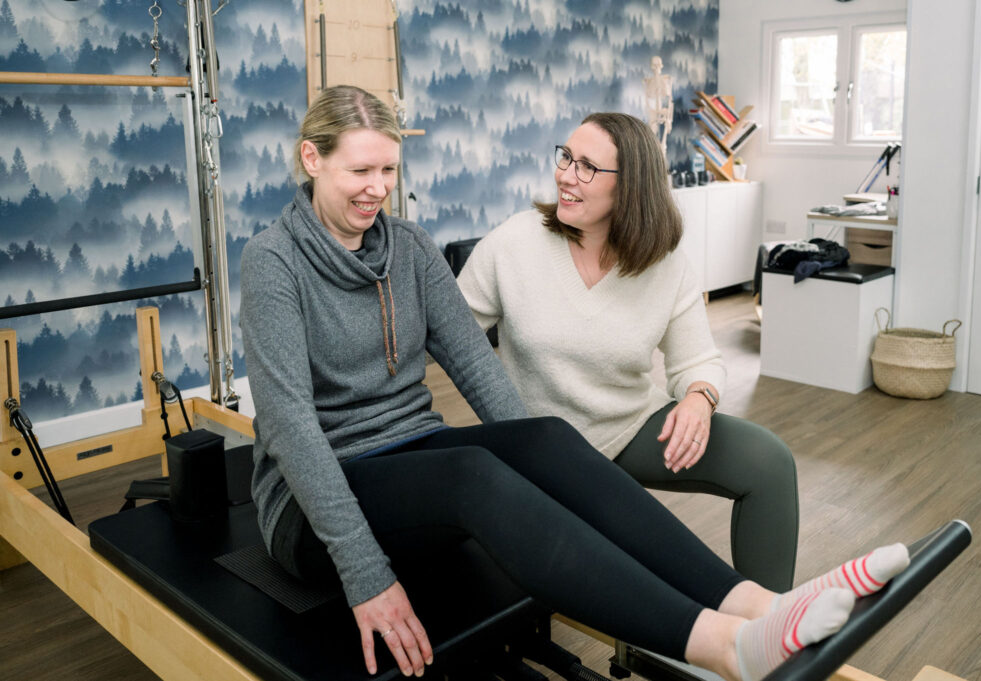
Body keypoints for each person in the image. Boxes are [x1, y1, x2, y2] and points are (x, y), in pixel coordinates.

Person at [240, 86, 909, 681]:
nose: (376, 187)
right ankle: (724, 649)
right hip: (310, 504)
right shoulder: (273, 261)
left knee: (545, 440)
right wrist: (366, 576)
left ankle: (766, 608)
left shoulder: (409, 248)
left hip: (408, 453)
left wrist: (536, 457)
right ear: (312, 159)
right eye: (360, 170)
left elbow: (475, 362)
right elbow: (292, 429)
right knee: (471, 472)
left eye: (388, 169)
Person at [456, 112, 800, 593]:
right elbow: (448, 334)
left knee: (768, 461)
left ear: (631, 186)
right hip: (538, 444)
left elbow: (697, 360)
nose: (565, 175)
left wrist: (699, 399)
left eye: (587, 168)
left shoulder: (665, 264)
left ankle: (773, 636)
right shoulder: (514, 241)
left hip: (629, 427)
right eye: (566, 158)